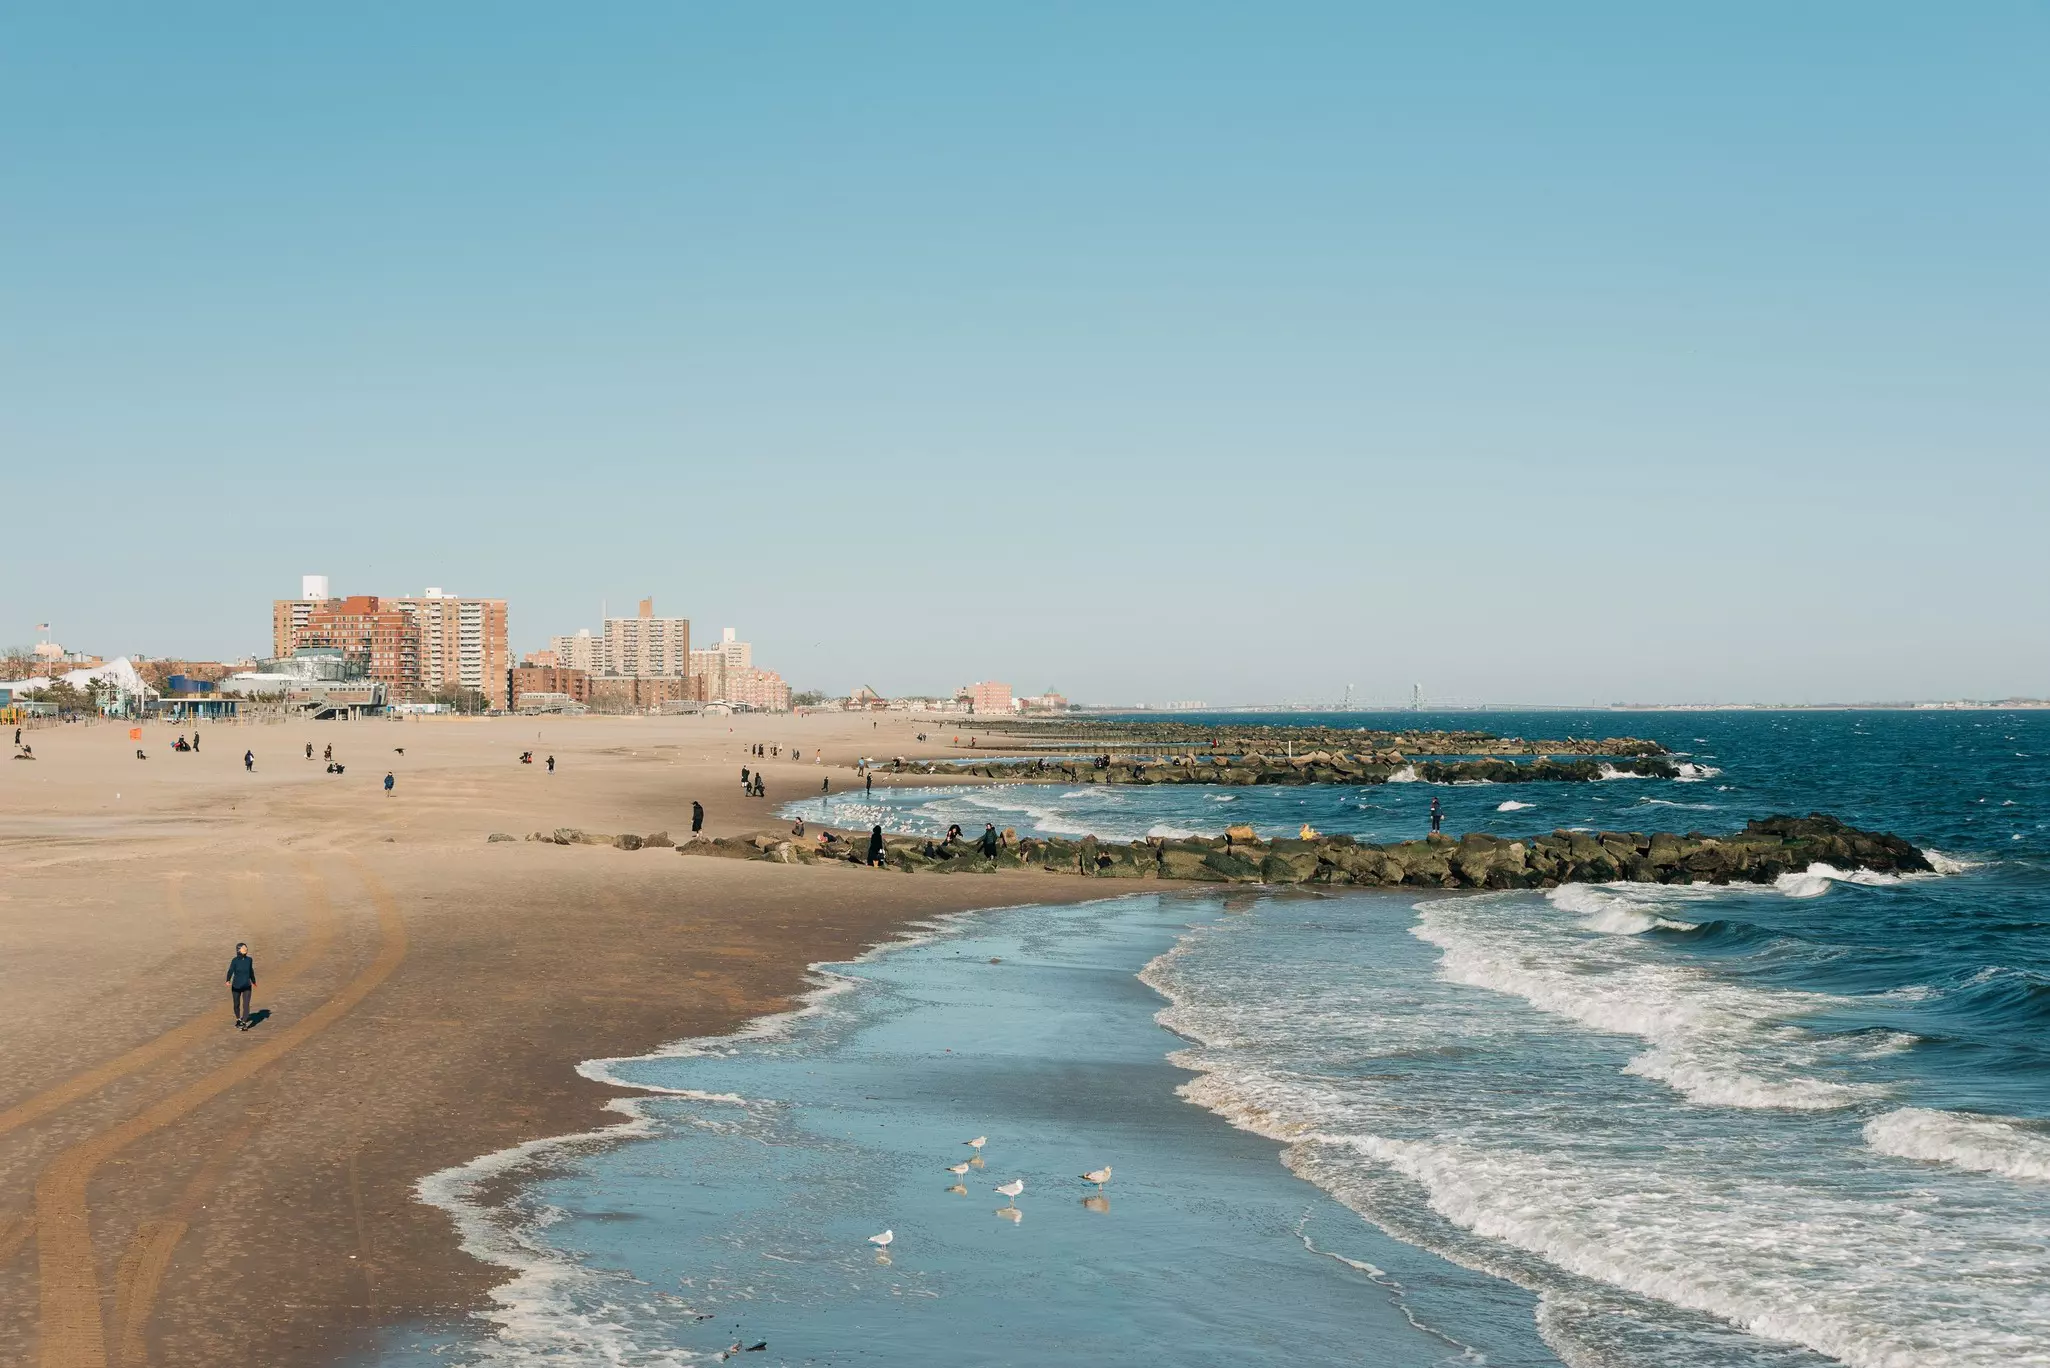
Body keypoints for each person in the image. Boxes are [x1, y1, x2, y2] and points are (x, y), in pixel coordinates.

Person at [226, 942, 256, 1029]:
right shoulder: (234, 961)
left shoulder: (249, 960)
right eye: (243, 948)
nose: (245, 949)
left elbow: (251, 971)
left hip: (247, 985)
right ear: (238, 950)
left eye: (246, 948)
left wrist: (253, 981)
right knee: (236, 1004)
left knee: (246, 1004)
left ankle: (244, 1022)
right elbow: (230, 971)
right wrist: (228, 980)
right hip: (236, 986)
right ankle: (238, 1019)